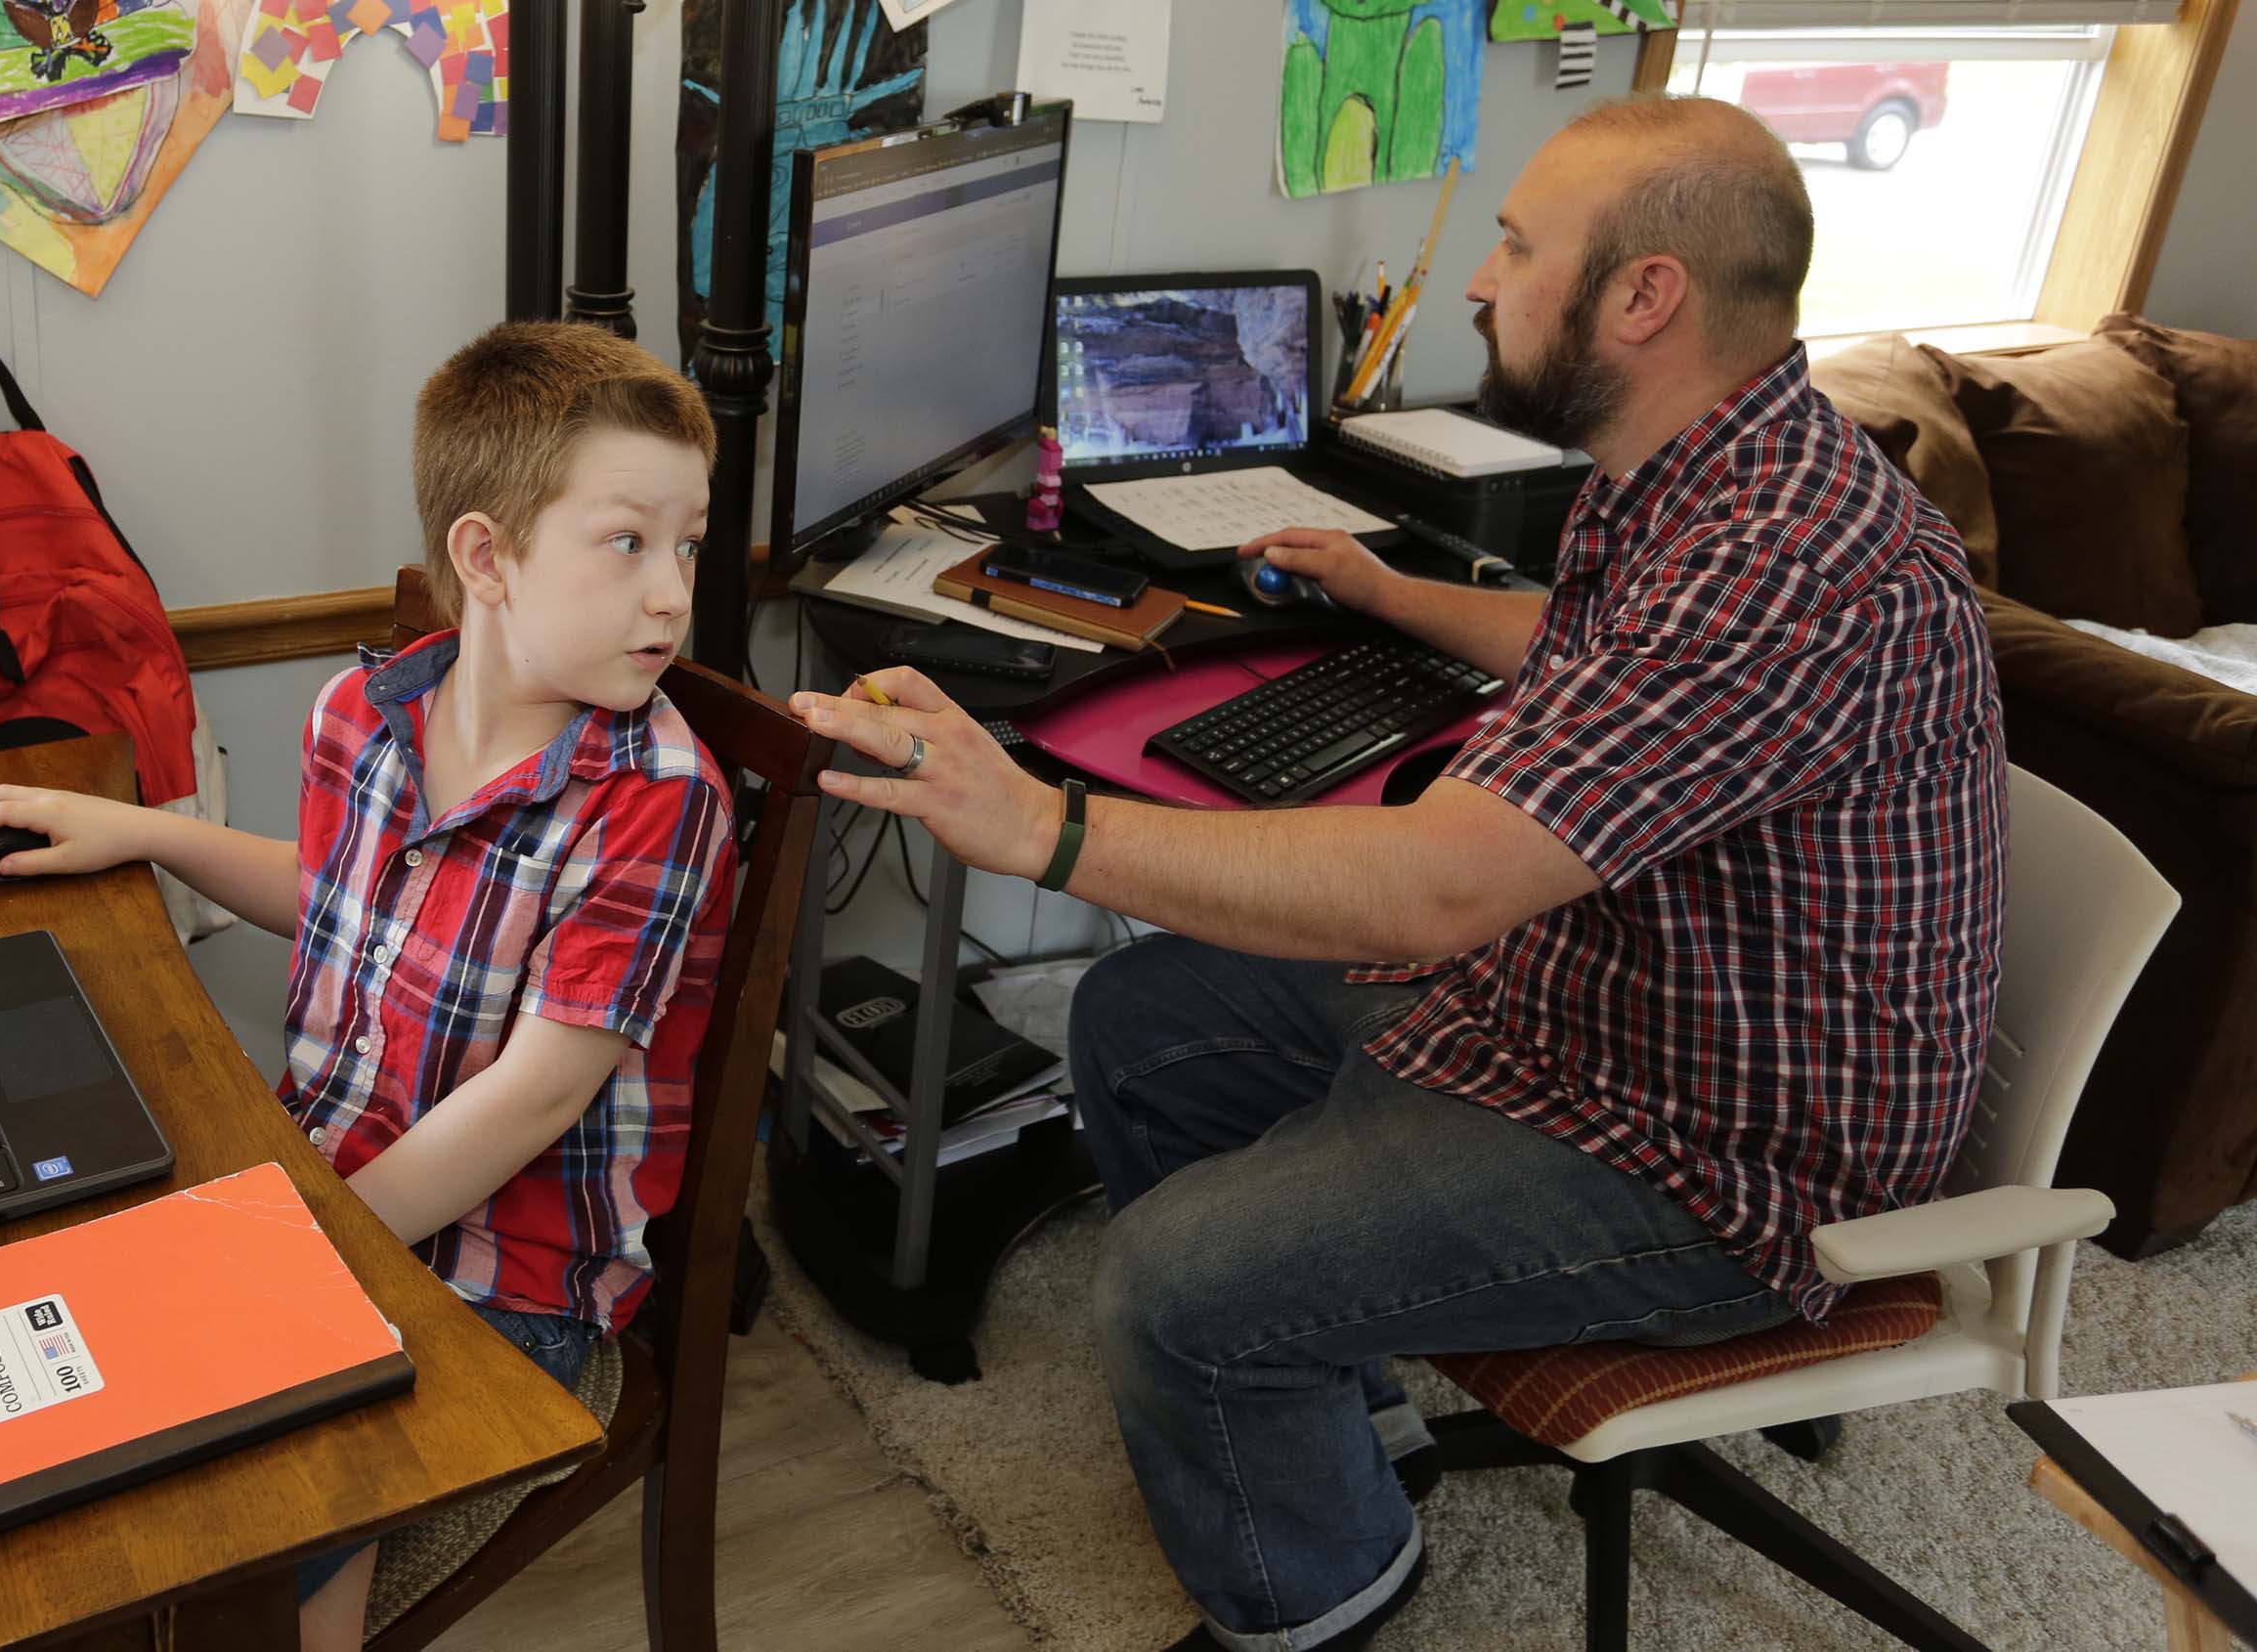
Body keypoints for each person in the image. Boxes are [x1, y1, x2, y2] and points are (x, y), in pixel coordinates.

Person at [787, 95, 2004, 1652]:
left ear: (1647, 298)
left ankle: (1325, 1601)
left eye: (1514, 245)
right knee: (1145, 1022)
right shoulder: (1692, 466)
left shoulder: (1789, 567)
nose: (1483, 284)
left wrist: (1043, 827)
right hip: (1593, 1005)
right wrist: (1390, 586)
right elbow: (1601, 660)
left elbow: (1440, 887)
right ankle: (1346, 1413)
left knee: (1171, 1285)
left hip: (1729, 1161)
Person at [0, 321, 738, 1649]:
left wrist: (295, 1258)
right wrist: (153, 833)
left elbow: (537, 1096)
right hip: (326, 1175)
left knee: (271, 1488)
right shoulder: (359, 717)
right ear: (485, 557)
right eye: (627, 542)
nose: (672, 593)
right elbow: (341, 895)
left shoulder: (658, 802)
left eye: (689, 546)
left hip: (507, 1275)